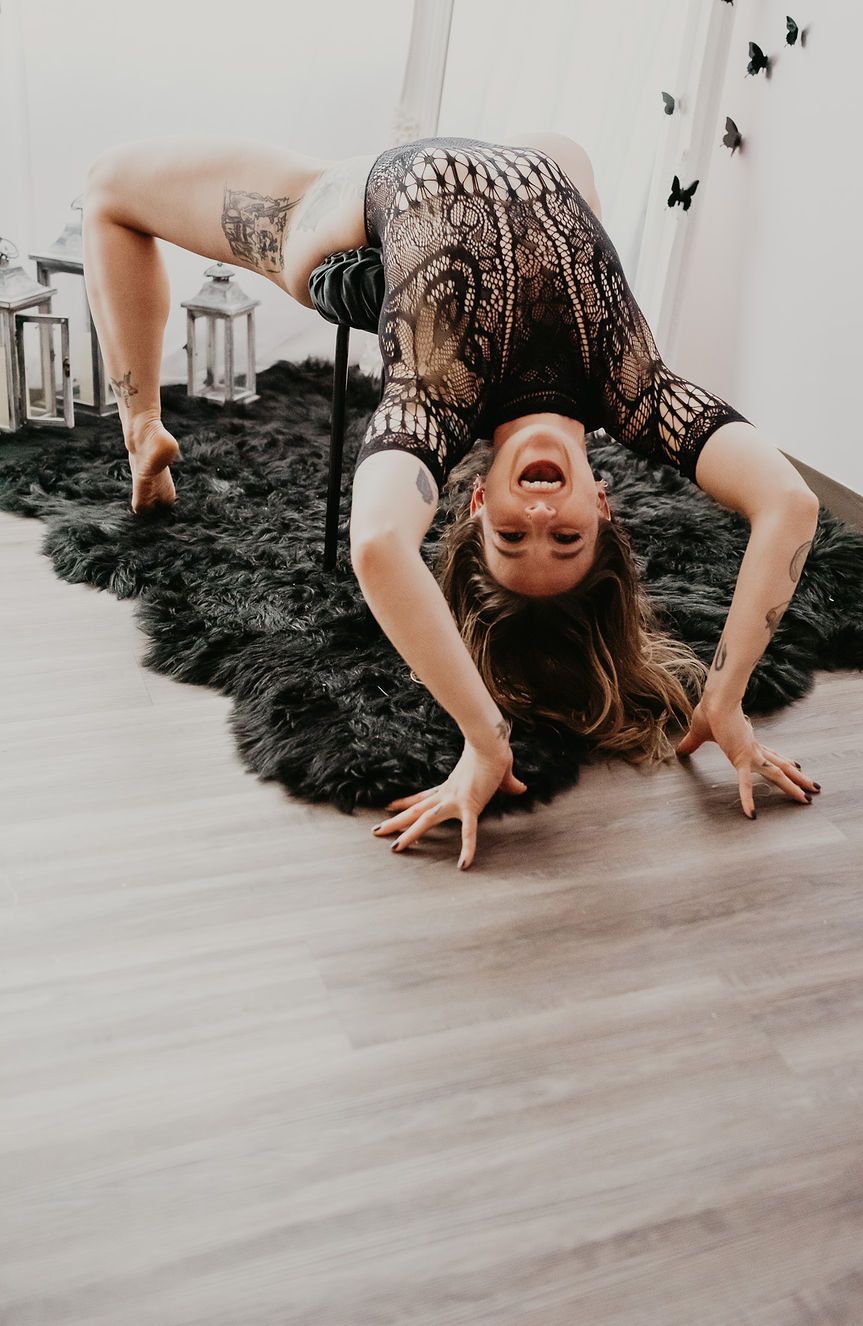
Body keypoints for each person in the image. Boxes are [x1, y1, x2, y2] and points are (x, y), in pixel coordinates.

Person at [82, 130, 823, 871]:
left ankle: (141, 428)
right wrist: (724, 698)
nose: (539, 518)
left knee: (110, 189)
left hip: (349, 205)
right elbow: (790, 505)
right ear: (604, 507)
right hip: (531, 171)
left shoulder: (435, 400)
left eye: (511, 538)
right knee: (564, 153)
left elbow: (379, 545)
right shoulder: (636, 391)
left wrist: (484, 737)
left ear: (475, 502)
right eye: (565, 539)